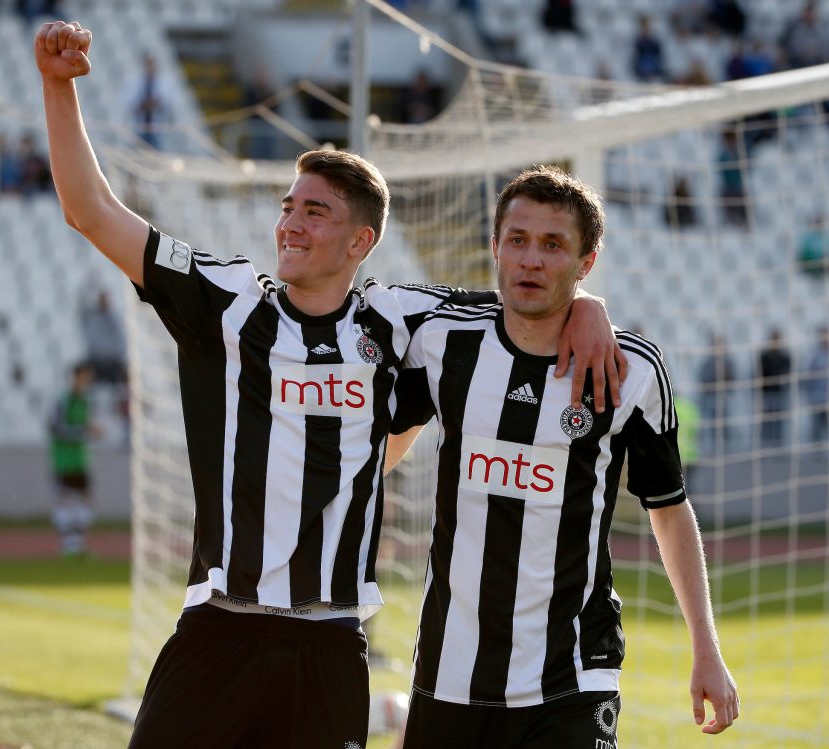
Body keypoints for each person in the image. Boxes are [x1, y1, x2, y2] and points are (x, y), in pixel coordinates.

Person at [34, 21, 624, 748]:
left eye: (315, 211)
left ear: (359, 242)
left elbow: (527, 300)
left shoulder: (400, 319)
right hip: (218, 630)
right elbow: (90, 211)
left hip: (330, 645)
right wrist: (58, 88)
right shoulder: (225, 301)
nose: (291, 222)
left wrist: (591, 307)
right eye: (288, 205)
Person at [387, 166, 739, 748]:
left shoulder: (633, 372)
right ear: (494, 246)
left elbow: (670, 510)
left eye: (554, 245)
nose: (531, 259)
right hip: (449, 671)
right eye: (518, 240)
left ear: (585, 262)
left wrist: (707, 649)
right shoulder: (443, 341)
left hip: (575, 671)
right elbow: (381, 455)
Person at [49, 363, 96, 557]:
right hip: (63, 460)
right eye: (84, 377)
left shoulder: (85, 401)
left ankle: (78, 543)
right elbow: (56, 429)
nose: (87, 382)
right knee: (65, 501)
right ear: (76, 377)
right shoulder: (64, 401)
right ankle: (68, 545)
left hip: (80, 459)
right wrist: (84, 431)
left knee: (85, 500)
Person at [697, 333, 736, 454]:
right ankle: (711, 447)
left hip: (723, 396)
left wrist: (724, 377)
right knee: (711, 422)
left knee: (724, 423)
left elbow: (732, 379)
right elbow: (703, 378)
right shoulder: (707, 362)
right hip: (710, 397)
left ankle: (724, 448)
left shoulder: (728, 362)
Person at [79, 289, 126, 385]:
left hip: (112, 361)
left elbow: (120, 334)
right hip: (95, 359)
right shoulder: (92, 316)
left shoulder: (114, 317)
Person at [757, 328, 792, 447]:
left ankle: (778, 445)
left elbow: (788, 375)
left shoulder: (785, 357)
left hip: (779, 393)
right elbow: (759, 375)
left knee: (778, 421)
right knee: (766, 420)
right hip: (766, 394)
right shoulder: (764, 356)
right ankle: (765, 444)